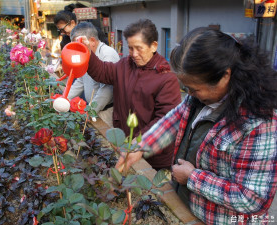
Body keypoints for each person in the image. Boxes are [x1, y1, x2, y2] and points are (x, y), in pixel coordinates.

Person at [115, 27, 277, 224]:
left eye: (194, 88)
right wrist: (141, 147)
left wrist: (193, 178)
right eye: (186, 88)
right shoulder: (199, 100)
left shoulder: (257, 123)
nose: (189, 94)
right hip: (189, 208)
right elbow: (172, 120)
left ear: (225, 76)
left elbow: (252, 198)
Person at [80, 19, 182, 170]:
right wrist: (87, 53)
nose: (134, 54)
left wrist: (138, 143)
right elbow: (103, 72)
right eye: (130, 48)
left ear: (153, 46)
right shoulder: (125, 64)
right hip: (125, 144)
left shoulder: (166, 77)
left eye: (139, 48)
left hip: (152, 155)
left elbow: (165, 120)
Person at [69, 22, 120, 127]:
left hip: (106, 111)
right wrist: (65, 99)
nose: (77, 49)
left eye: (79, 45)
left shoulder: (107, 54)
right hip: (94, 108)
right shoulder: (86, 54)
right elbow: (80, 81)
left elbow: (107, 90)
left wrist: (90, 111)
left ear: (92, 41)